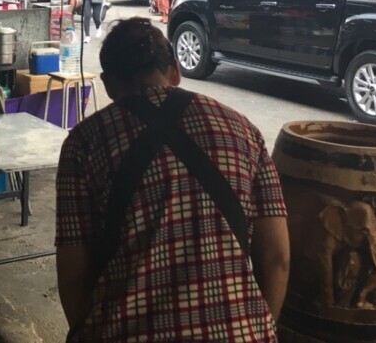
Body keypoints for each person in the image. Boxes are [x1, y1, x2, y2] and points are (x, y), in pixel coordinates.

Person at [55, 19, 289, 341]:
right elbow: (277, 258)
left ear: (108, 84)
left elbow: (73, 272)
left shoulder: (84, 143)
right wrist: (263, 330)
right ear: (175, 72)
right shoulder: (244, 130)